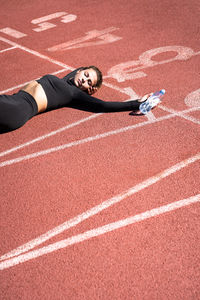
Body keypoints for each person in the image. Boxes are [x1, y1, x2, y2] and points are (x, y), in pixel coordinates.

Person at [0, 66, 151, 134]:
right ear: (80, 71)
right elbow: (75, 73)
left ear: (89, 90)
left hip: (16, 109)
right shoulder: (65, 81)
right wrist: (85, 75)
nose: (84, 80)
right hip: (10, 100)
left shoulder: (73, 94)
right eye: (85, 75)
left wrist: (137, 103)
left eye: (89, 83)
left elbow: (103, 105)